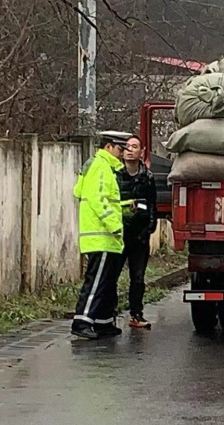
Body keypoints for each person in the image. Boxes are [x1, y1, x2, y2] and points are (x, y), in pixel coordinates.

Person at [71, 131, 132, 340]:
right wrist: (114, 224)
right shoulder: (100, 166)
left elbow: (106, 201)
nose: (123, 154)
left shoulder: (103, 167)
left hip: (107, 237)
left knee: (107, 282)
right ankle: (82, 320)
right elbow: (96, 200)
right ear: (108, 147)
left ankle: (103, 322)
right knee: (96, 281)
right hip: (103, 236)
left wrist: (124, 207)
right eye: (120, 149)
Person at [116, 135, 158, 329]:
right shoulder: (115, 174)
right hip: (118, 234)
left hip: (139, 235)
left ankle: (136, 314)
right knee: (112, 275)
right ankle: (109, 313)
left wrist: (149, 229)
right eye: (127, 147)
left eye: (135, 147)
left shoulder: (147, 177)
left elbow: (152, 206)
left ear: (141, 152)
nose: (130, 150)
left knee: (138, 277)